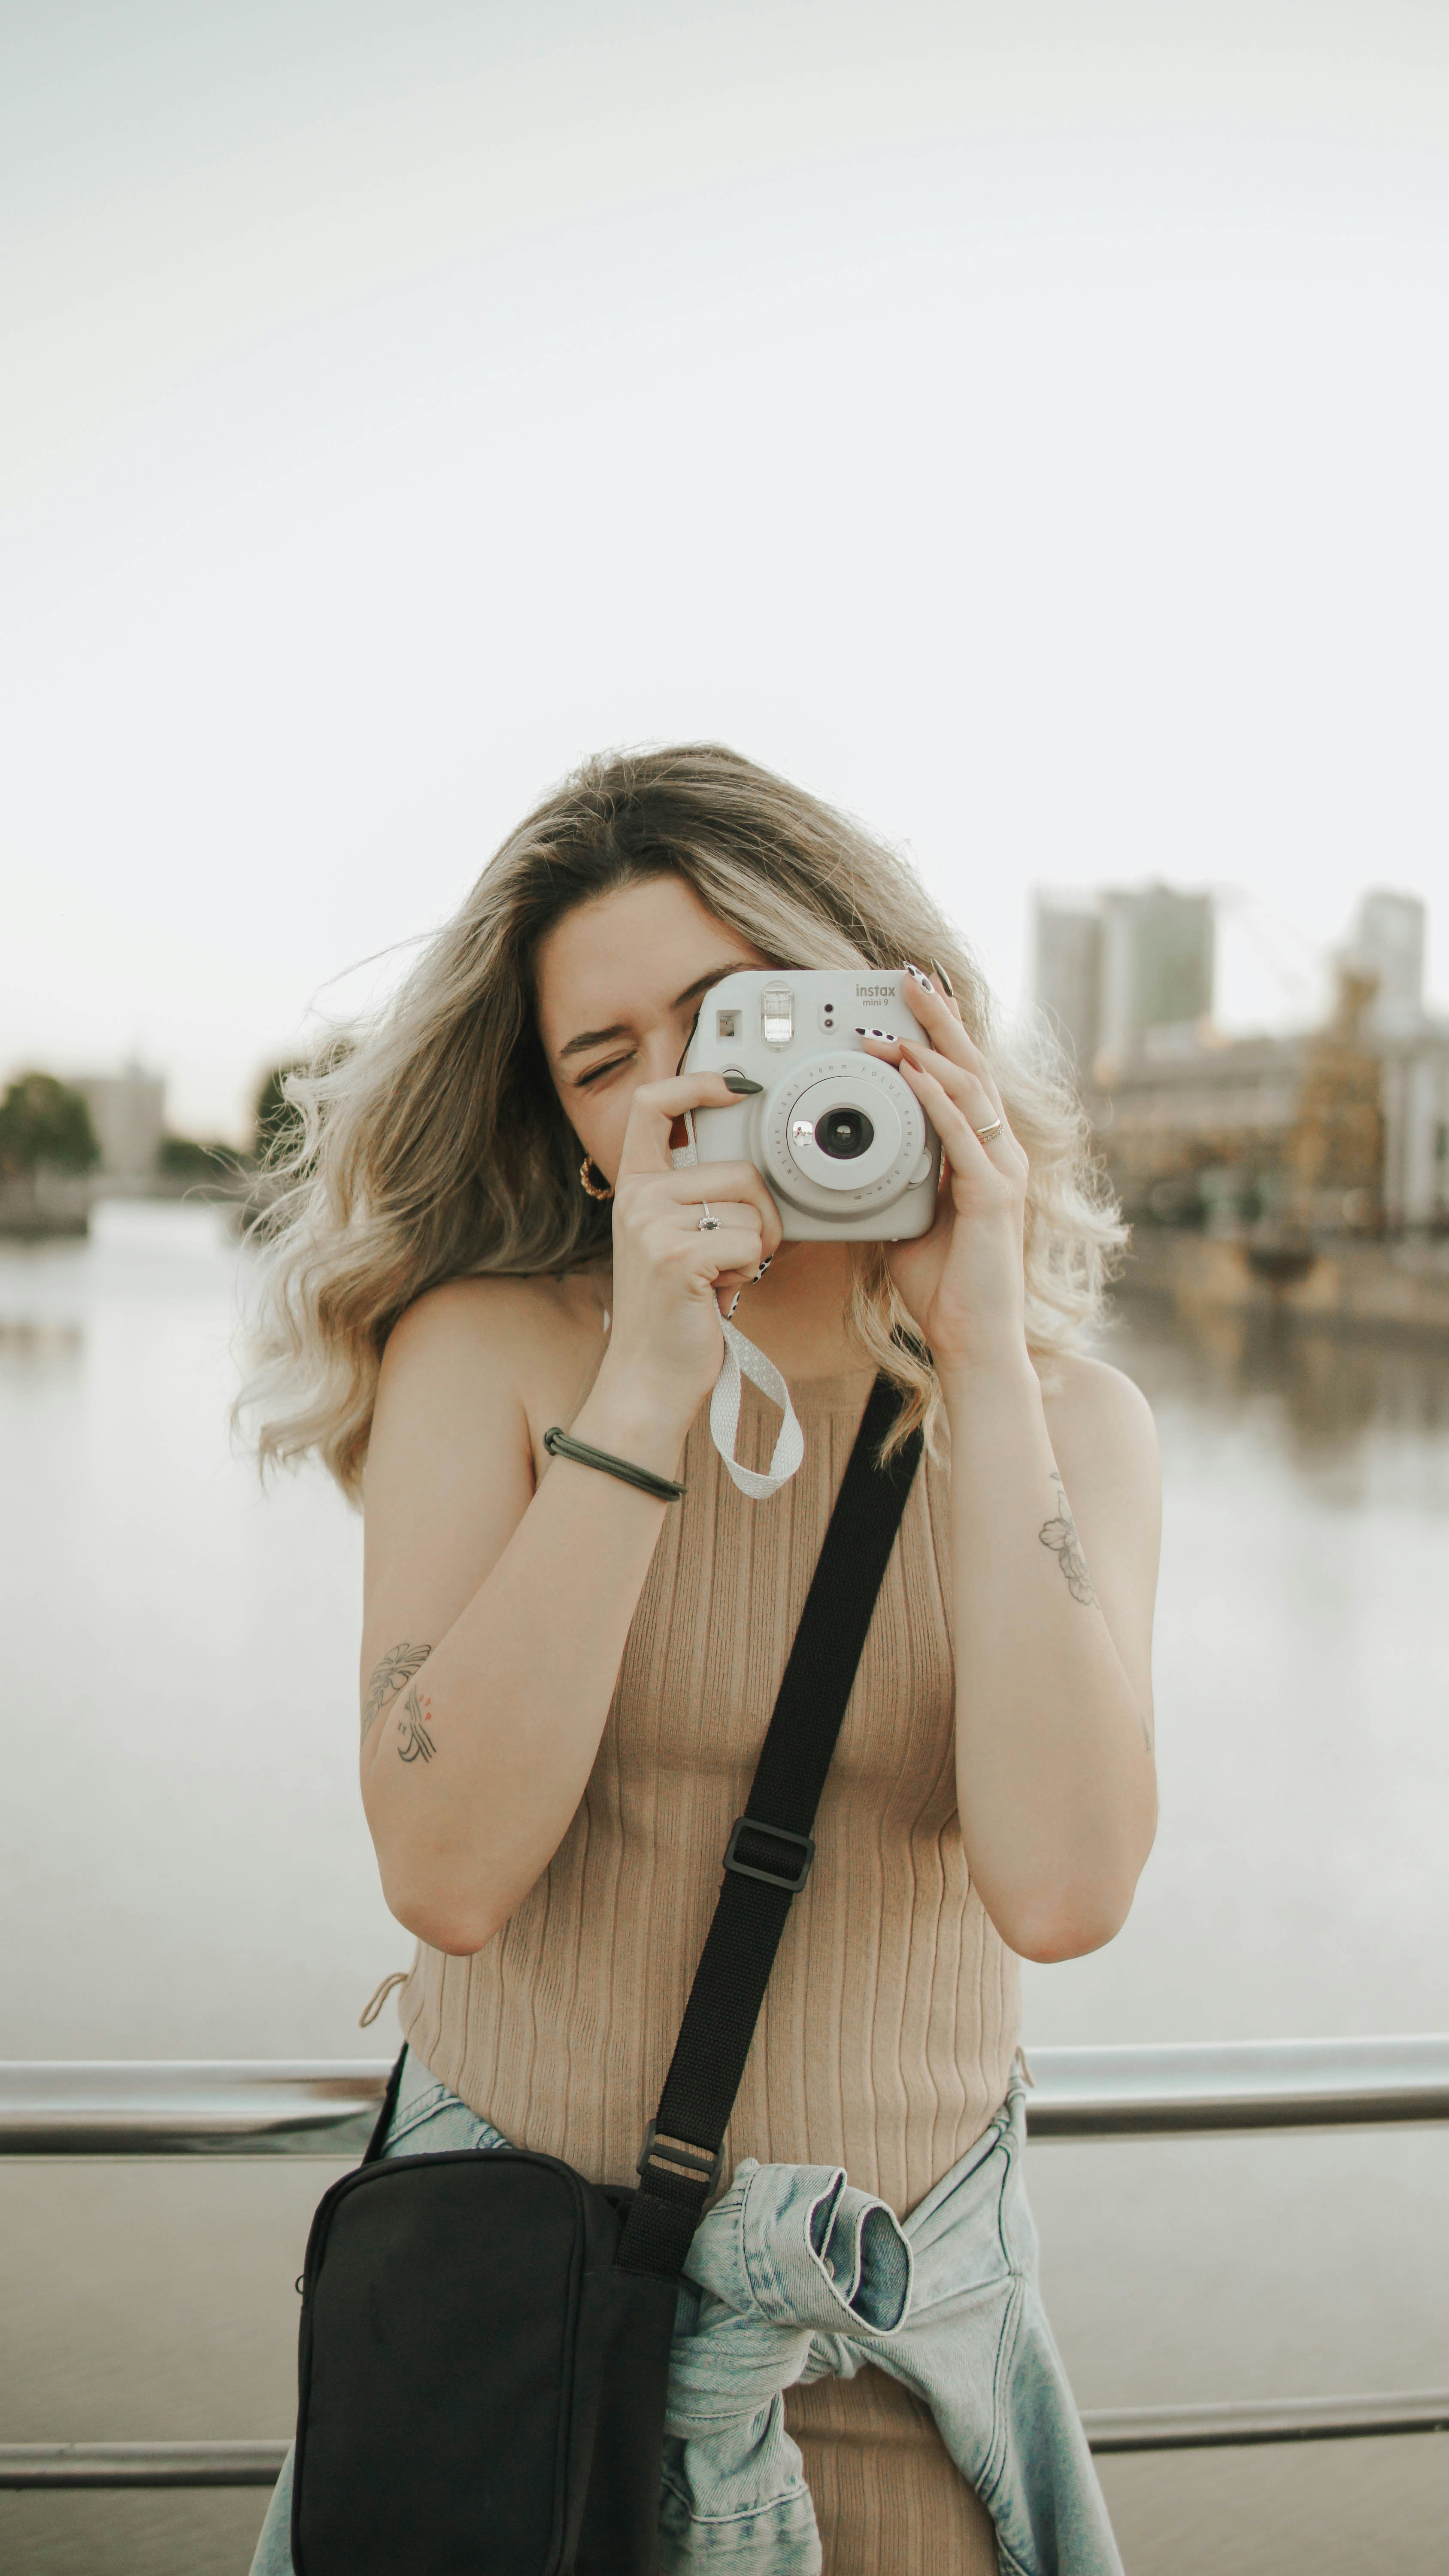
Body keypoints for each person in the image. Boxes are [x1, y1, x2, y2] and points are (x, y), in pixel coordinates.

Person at [243, 744, 1160, 2575]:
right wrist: (652, 1376)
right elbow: (448, 1870)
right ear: (567, 1125)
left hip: (889, 2353)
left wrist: (980, 1355)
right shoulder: (486, 1356)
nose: (685, 1092)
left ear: (887, 1011)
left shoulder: (1066, 1419)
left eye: (737, 1016)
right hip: (517, 2348)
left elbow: (1060, 1890)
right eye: (608, 1061)